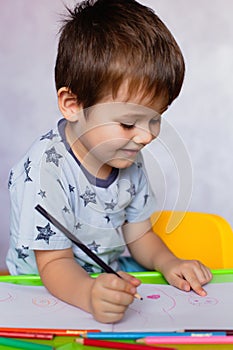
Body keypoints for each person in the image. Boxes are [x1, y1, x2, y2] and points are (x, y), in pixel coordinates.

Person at [7, 0, 212, 323]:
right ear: (72, 105)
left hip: (107, 281)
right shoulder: (46, 170)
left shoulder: (127, 155)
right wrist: (89, 295)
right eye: (129, 123)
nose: (145, 136)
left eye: (155, 119)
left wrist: (169, 263)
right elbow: (52, 265)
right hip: (41, 293)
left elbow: (139, 235)